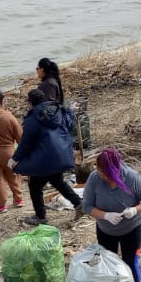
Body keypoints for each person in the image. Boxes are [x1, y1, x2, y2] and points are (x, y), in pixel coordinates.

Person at [82, 147, 141, 282]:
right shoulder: (94, 179)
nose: (103, 175)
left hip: (132, 227)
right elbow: (87, 206)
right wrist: (105, 215)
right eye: (101, 171)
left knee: (131, 261)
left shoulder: (131, 177)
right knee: (109, 262)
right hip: (106, 229)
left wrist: (135, 209)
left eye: (107, 173)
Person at [9, 88, 83, 226]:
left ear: (31, 102)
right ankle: (79, 204)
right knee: (57, 181)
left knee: (35, 186)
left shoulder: (33, 117)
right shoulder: (58, 110)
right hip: (62, 154)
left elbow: (26, 142)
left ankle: (40, 217)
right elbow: (70, 124)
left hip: (45, 158)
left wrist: (15, 158)